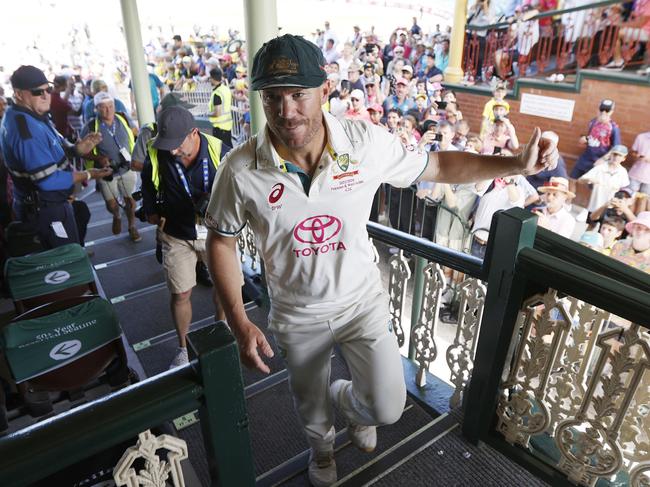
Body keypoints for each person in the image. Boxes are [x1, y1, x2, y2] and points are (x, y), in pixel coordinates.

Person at [203, 34, 558, 487]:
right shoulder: (240, 169)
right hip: (297, 313)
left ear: (324, 90)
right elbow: (221, 241)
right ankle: (323, 451)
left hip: (360, 301)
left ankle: (350, 403)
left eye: (298, 95)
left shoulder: (364, 143)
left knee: (388, 406)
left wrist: (513, 165)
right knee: (309, 407)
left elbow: (439, 168)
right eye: (273, 98)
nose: (286, 111)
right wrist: (238, 318)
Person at [141, 106, 232, 367]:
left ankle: (223, 327)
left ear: (194, 133)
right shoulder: (158, 152)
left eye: (177, 144)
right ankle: (183, 348)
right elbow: (147, 181)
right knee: (180, 293)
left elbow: (239, 188)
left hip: (216, 233)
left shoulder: (220, 151)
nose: (171, 151)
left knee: (225, 286)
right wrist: (150, 210)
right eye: (166, 144)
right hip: (176, 234)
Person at [0, 65, 111, 249]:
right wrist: (89, 174)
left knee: (77, 229)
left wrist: (76, 150)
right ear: (19, 94)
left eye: (48, 89)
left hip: (52, 205)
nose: (45, 95)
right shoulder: (24, 129)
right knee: (65, 263)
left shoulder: (33, 115)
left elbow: (51, 148)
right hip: (44, 211)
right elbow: (48, 180)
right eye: (37, 92)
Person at [81, 92, 141, 242]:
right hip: (106, 172)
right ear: (96, 109)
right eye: (103, 107)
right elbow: (81, 151)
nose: (108, 110)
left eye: (111, 106)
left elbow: (137, 134)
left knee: (131, 201)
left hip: (127, 168)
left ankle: (132, 226)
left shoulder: (124, 119)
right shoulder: (90, 127)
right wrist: (99, 158)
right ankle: (116, 215)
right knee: (112, 204)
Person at [571, 99, 621, 178]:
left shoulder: (614, 127)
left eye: (607, 110)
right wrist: (585, 139)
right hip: (585, 157)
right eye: (602, 109)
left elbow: (616, 148)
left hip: (599, 161)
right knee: (572, 178)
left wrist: (603, 159)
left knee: (593, 185)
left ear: (611, 111)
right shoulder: (593, 122)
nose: (604, 112)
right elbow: (591, 137)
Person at [579, 145, 630, 212]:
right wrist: (589, 180)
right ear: (610, 155)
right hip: (594, 207)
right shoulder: (600, 168)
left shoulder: (623, 172)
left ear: (624, 158)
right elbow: (580, 180)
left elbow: (624, 189)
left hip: (610, 209)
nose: (616, 157)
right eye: (614, 154)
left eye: (619, 156)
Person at [207, 68, 233, 147]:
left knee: (222, 152)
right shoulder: (225, 89)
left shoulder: (217, 94)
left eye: (210, 78)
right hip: (227, 126)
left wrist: (208, 114)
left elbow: (217, 113)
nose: (209, 80)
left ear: (213, 78)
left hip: (219, 128)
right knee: (228, 149)